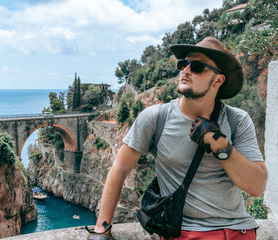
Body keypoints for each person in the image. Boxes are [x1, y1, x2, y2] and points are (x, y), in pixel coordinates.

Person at [86, 37, 268, 240]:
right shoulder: (156, 118)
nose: (186, 70)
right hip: (186, 234)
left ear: (218, 80)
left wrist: (220, 145)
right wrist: (102, 228)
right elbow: (119, 169)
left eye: (198, 66)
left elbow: (257, 186)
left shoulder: (237, 120)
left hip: (239, 232)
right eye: (184, 64)